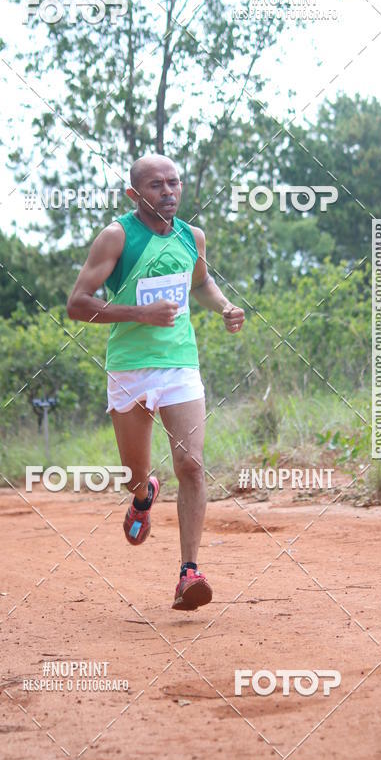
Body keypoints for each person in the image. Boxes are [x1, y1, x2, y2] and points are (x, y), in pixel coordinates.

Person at [67, 154, 245, 610]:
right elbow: (78, 304)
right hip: (130, 366)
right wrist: (139, 314)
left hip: (180, 363)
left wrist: (224, 306)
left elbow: (200, 283)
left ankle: (189, 573)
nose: (168, 191)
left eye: (174, 182)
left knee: (191, 465)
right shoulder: (116, 237)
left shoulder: (192, 237)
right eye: (155, 185)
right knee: (134, 472)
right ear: (134, 194)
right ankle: (143, 496)